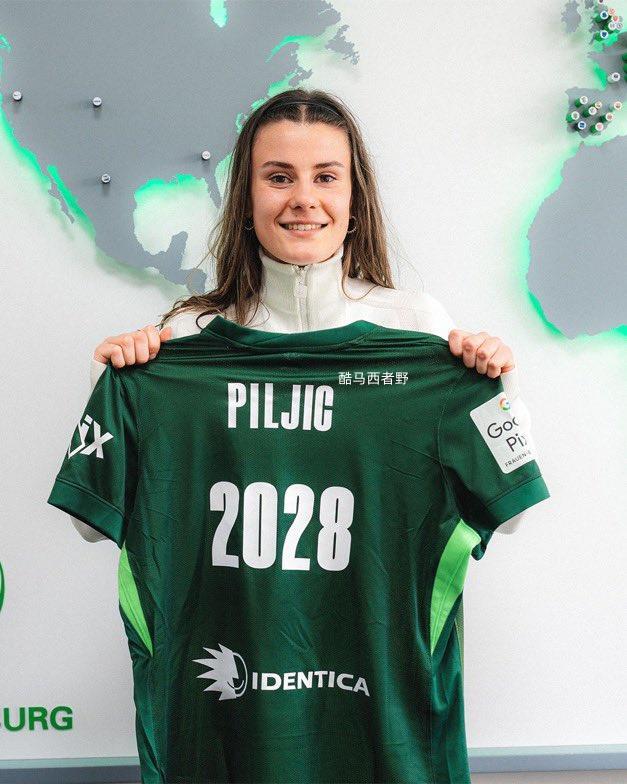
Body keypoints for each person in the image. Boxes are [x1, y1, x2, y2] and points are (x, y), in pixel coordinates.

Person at [69, 88, 533, 547]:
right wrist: (109, 384)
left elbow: (510, 512)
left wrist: (499, 388)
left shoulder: (416, 325)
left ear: (354, 198)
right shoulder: (189, 336)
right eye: (279, 177)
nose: (304, 199)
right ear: (246, 199)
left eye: (326, 177)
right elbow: (90, 524)